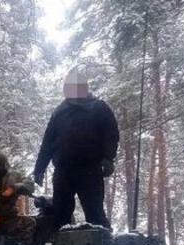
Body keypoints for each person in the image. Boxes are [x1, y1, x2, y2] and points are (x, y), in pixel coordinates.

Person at [32, 69, 119, 230]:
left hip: (90, 169)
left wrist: (108, 158)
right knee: (60, 214)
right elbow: (48, 143)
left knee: (95, 213)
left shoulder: (99, 108)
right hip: (63, 171)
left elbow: (111, 134)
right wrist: (39, 168)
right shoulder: (59, 112)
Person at [0, 152, 37, 245]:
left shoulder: (14, 175)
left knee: (27, 201)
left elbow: (30, 185)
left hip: (11, 215)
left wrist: (14, 188)